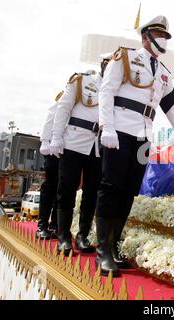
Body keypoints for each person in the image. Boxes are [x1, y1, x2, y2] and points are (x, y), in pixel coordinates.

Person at [96, 15, 174, 276]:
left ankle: (113, 246)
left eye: (166, 37)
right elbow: (106, 91)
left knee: (128, 192)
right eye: (159, 35)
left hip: (143, 136)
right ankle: (102, 251)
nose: (163, 40)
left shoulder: (164, 74)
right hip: (119, 131)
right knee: (111, 188)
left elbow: (173, 110)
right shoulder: (124, 58)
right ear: (145, 37)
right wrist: (106, 126)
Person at [50, 53, 112, 255]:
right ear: (103, 64)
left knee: (92, 192)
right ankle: (63, 236)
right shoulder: (82, 80)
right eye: (109, 63)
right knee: (66, 188)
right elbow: (64, 108)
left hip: (97, 146)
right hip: (74, 141)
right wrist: (56, 137)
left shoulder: (116, 88)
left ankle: (82, 236)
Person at [36, 91, 64, 239]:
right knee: (50, 187)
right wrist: (45, 140)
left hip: (68, 150)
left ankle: (55, 225)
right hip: (53, 150)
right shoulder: (62, 101)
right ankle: (42, 225)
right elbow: (49, 120)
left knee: (63, 189)